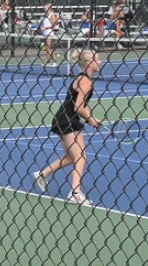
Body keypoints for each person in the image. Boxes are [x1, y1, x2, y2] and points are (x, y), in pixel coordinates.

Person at [33, 49, 103, 206]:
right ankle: (75, 192)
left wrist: (92, 118)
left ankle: (42, 174)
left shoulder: (82, 79)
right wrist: (91, 120)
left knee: (72, 157)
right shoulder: (86, 81)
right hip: (68, 119)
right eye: (97, 59)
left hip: (63, 118)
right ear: (89, 63)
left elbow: (81, 106)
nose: (100, 62)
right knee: (81, 157)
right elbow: (79, 107)